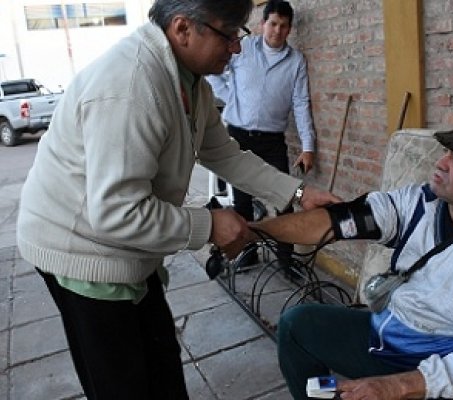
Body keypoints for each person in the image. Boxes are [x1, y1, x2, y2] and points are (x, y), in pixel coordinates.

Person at [16, 1, 339, 399]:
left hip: (125, 244)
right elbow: (117, 212)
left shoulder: (190, 82)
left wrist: (298, 192)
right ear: (184, 29)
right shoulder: (132, 84)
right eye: (229, 34)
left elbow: (225, 154)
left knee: (162, 366)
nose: (237, 48)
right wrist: (207, 225)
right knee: (123, 382)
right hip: (83, 248)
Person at [245, 117, 453, 399]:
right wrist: (255, 232)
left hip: (444, 366)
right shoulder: (420, 202)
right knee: (298, 325)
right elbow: (339, 221)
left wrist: (395, 386)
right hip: (387, 338)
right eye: (446, 152)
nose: (441, 163)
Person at [206, 0, 316, 267]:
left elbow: (301, 103)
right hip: (239, 135)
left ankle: (286, 260)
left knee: (284, 201)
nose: (277, 31)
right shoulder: (242, 49)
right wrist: (230, 97)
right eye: (273, 24)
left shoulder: (296, 61)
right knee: (242, 199)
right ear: (263, 24)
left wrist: (308, 146)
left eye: (283, 26)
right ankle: (248, 252)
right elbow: (213, 73)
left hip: (271, 139)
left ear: (289, 29)